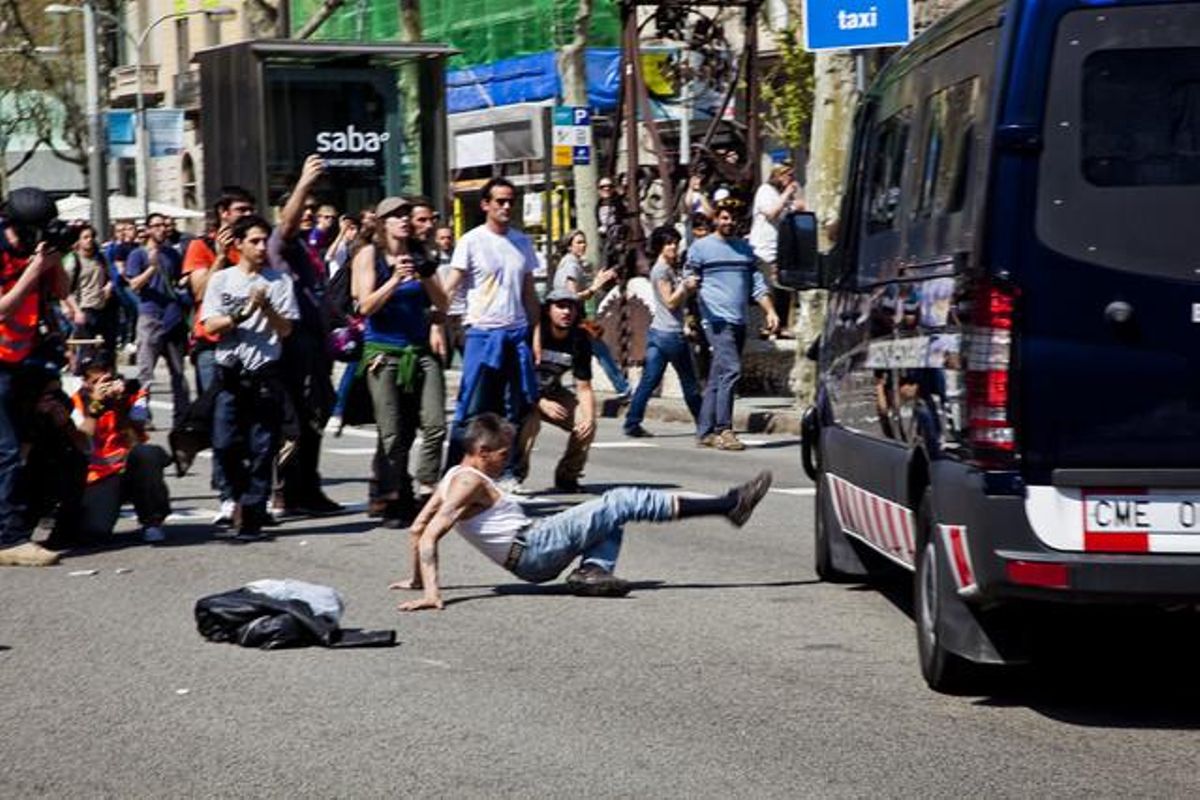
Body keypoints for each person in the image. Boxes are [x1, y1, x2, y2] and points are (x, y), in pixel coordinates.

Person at [389, 412, 773, 608]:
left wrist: (417, 579)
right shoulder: (467, 481)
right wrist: (432, 594)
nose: (506, 462)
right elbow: (434, 531)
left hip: (531, 553)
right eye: (502, 456)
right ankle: (729, 504)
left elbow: (416, 529)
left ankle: (593, 573)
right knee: (620, 500)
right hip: (533, 549)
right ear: (482, 452)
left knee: (608, 514)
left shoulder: (452, 475)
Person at [201, 214, 299, 542]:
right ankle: (235, 497)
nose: (260, 248)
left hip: (265, 373)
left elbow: (286, 329)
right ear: (238, 244)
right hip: (230, 372)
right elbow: (209, 325)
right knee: (225, 442)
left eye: (263, 241)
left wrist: (266, 308)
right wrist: (242, 313)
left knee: (262, 447)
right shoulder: (222, 280)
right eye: (253, 241)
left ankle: (253, 512)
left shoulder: (279, 282)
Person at [352, 196, 448, 528]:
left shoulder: (420, 255)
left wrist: (423, 278)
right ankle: (396, 495)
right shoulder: (369, 255)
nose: (404, 220)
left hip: (419, 350)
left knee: (435, 425)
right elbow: (365, 307)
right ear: (382, 223)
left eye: (407, 214)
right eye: (396, 215)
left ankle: (426, 486)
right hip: (383, 352)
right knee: (393, 434)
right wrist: (393, 280)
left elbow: (443, 303)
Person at [441, 177, 541, 483]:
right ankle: (452, 473)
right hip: (483, 333)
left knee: (513, 410)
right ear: (486, 205)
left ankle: (506, 474)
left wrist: (535, 336)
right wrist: (436, 320)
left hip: (515, 333)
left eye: (511, 200)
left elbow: (528, 294)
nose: (506, 206)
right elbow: (452, 285)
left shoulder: (522, 242)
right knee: (470, 406)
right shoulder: (471, 241)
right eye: (500, 201)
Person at [0, 188, 71, 566]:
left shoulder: (37, 250)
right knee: (6, 451)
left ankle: (18, 525)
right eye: (30, 232)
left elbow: (61, 291)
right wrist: (33, 268)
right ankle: (9, 540)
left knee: (28, 443)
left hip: (22, 359)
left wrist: (54, 259)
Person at [268, 155, 341, 517]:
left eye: (314, 208)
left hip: (316, 343)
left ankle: (307, 488)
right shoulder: (280, 243)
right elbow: (287, 223)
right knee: (293, 421)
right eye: (304, 208)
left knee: (315, 417)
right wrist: (303, 183)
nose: (309, 213)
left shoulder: (310, 250)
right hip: (292, 343)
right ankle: (284, 490)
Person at [181, 185, 256, 527]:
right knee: (221, 421)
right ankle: (228, 494)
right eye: (240, 209)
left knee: (250, 422)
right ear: (223, 213)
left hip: (250, 343)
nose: (246, 214)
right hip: (212, 344)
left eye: (249, 209)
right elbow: (199, 291)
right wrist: (221, 255)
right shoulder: (200, 246)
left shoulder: (254, 246)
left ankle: (251, 494)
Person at [687, 199, 780, 451]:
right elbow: (689, 277)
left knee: (719, 375)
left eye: (732, 218)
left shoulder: (745, 250)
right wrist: (690, 287)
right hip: (716, 320)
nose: (728, 222)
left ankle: (705, 431)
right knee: (731, 370)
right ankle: (724, 429)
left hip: (739, 319)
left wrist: (770, 311)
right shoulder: (701, 248)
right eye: (724, 217)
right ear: (716, 218)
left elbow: (757, 285)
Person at [69, 355, 171, 543]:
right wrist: (97, 406)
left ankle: (152, 521)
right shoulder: (75, 402)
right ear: (85, 382)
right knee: (95, 531)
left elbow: (137, 435)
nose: (105, 386)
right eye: (97, 382)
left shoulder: (131, 395)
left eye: (108, 380)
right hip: (98, 476)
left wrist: (121, 403)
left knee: (148, 454)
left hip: (129, 469)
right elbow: (82, 440)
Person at [623, 226, 703, 437]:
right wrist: (685, 287)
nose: (673, 247)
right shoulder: (661, 271)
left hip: (659, 332)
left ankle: (632, 422)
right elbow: (669, 301)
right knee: (689, 383)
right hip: (670, 334)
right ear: (660, 247)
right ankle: (705, 424)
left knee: (649, 381)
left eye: (675, 243)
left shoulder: (668, 268)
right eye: (669, 244)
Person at [515, 288, 596, 493]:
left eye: (571, 307)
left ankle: (567, 476)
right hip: (525, 395)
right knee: (531, 423)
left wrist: (589, 418)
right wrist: (539, 402)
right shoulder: (534, 333)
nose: (566, 312)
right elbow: (517, 377)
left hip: (553, 392)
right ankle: (516, 475)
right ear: (548, 310)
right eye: (560, 306)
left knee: (585, 424)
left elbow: (584, 387)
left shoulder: (580, 339)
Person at [124, 211, 190, 429]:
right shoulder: (137, 254)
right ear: (149, 229)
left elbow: (179, 280)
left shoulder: (172, 253)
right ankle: (143, 416)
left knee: (179, 373)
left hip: (173, 317)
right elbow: (134, 285)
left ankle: (182, 419)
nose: (163, 229)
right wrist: (151, 268)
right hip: (150, 316)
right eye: (158, 225)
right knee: (145, 372)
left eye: (165, 225)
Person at [749, 162, 804, 331]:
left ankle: (780, 325)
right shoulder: (765, 191)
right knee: (767, 289)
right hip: (763, 250)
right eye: (788, 175)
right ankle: (768, 325)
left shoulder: (781, 196)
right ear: (778, 175)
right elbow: (772, 212)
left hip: (780, 250)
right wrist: (787, 193)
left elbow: (799, 209)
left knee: (783, 288)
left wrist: (795, 198)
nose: (791, 179)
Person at [60, 224, 116, 373]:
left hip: (103, 308)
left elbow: (110, 277)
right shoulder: (73, 262)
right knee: (86, 353)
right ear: (78, 241)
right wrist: (73, 310)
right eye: (85, 237)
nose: (89, 240)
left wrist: (109, 286)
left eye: (91, 237)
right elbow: (64, 289)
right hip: (84, 309)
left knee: (107, 351)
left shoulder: (101, 259)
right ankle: (81, 378)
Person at [433, 224, 465, 366]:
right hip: (442, 315)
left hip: (462, 313)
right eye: (442, 238)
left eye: (449, 238)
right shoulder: (432, 261)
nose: (446, 241)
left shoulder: (461, 258)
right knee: (442, 359)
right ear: (436, 240)